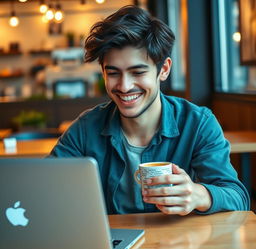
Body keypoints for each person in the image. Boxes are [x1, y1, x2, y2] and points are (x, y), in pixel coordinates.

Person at [49, 5, 250, 215]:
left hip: (178, 243)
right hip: (110, 245)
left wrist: (199, 195)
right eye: (114, 73)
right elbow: (44, 183)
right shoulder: (86, 127)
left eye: (137, 72)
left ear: (163, 70)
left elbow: (238, 197)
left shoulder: (197, 123)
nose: (124, 86)